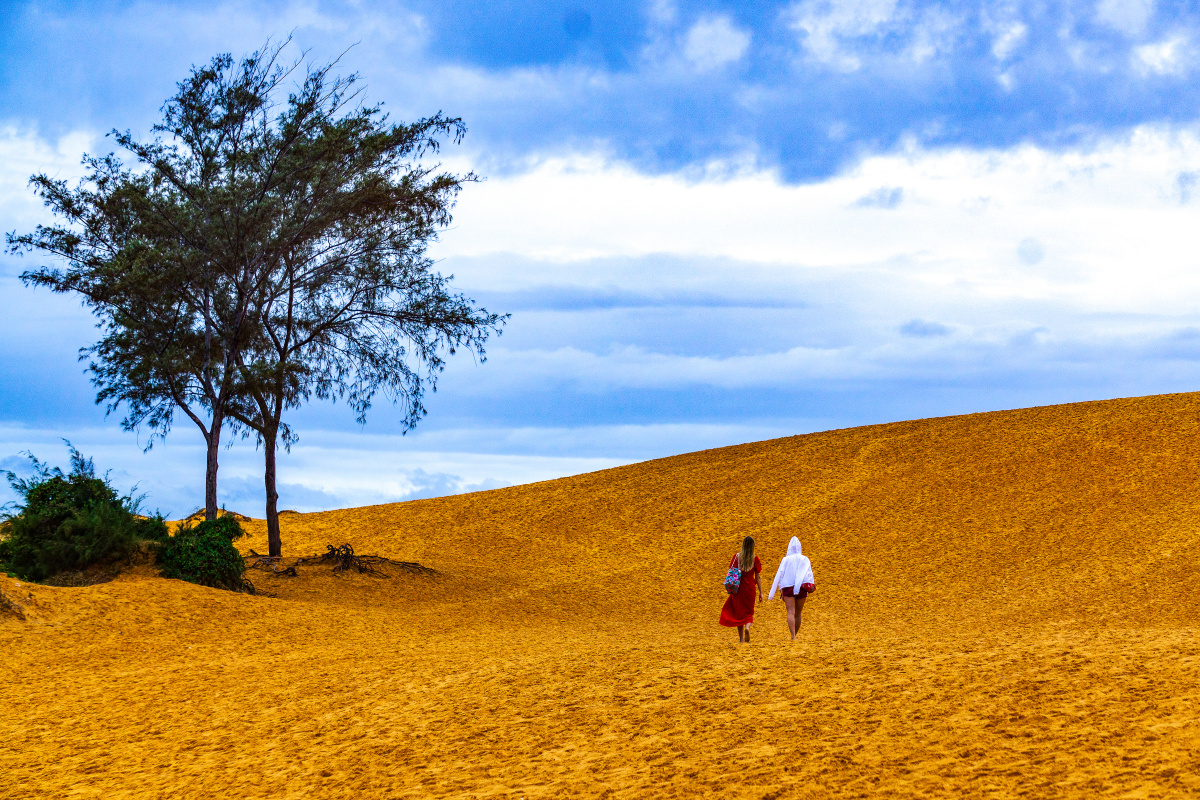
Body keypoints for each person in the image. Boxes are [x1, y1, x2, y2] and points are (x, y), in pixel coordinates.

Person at [768, 536, 816, 640]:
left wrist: (777, 589)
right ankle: (795, 635)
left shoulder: (785, 560)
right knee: (798, 614)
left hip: (788, 587)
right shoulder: (804, 559)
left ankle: (793, 635)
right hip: (801, 588)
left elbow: (779, 575)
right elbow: (809, 574)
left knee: (790, 612)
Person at [719, 536, 763, 643]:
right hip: (750, 589)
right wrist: (761, 592)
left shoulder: (737, 557)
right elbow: (757, 577)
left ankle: (741, 639)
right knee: (749, 612)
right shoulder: (755, 559)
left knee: (739, 613)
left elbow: (731, 570)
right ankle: (747, 628)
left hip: (738, 588)